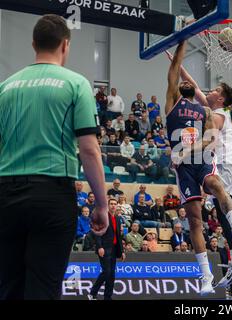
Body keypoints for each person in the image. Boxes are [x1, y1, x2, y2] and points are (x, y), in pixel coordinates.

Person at [0, 15, 108, 300]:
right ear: (65, 45)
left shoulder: (5, 87)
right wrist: (102, 204)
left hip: (5, 195)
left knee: (8, 286)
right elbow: (89, 149)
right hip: (51, 194)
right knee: (44, 288)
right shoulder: (75, 84)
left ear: (34, 44)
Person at [164, 42, 232, 295]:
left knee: (216, 185)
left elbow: (211, 138)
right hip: (184, 170)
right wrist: (181, 41)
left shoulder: (205, 111)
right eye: (183, 82)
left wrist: (186, 151)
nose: (188, 84)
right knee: (194, 220)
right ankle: (206, 277)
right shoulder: (172, 103)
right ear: (180, 88)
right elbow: (176, 67)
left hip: (200, 160)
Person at [88, 199, 125, 300]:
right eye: (111, 204)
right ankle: (92, 293)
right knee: (106, 272)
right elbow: (97, 233)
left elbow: (118, 236)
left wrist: (122, 251)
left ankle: (107, 297)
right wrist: (99, 247)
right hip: (104, 248)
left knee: (111, 275)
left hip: (114, 249)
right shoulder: (103, 217)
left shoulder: (117, 218)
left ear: (117, 206)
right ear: (108, 206)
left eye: (115, 204)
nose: (113, 206)